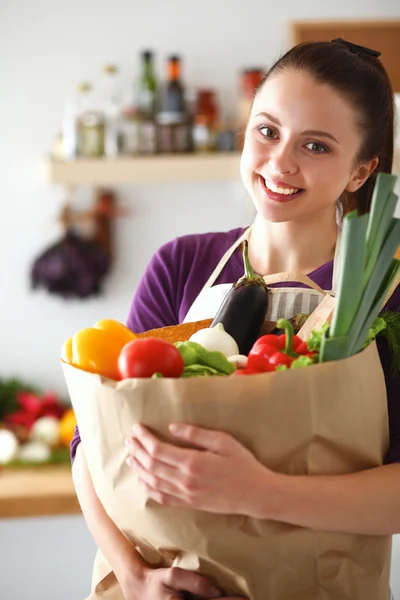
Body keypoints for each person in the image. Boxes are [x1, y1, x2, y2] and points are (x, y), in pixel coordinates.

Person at [71, 39, 400, 600]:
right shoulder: (181, 264)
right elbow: (95, 440)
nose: (280, 163)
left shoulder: (383, 293)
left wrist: (256, 493)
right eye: (267, 131)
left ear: (361, 170)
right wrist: (132, 574)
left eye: (316, 146)